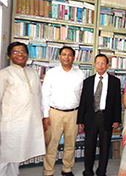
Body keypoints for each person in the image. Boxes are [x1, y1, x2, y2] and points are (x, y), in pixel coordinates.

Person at [0, 42, 45, 176]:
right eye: (15, 52)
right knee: (5, 154)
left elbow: (38, 96)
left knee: (17, 154)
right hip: (11, 122)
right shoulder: (4, 74)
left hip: (29, 121)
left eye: (22, 51)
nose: (20, 55)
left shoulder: (32, 72)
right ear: (9, 56)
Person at [42, 46, 85, 176]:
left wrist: (81, 117)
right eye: (64, 54)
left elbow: (83, 96)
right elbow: (45, 95)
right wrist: (45, 115)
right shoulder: (51, 73)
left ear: (74, 57)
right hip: (54, 113)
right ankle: (48, 171)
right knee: (52, 144)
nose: (67, 57)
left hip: (73, 113)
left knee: (70, 143)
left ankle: (67, 169)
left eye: (70, 55)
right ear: (59, 56)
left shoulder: (80, 73)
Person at [77, 53, 121, 176]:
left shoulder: (115, 82)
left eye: (103, 63)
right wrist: (80, 119)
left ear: (107, 65)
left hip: (106, 117)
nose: (100, 66)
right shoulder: (88, 81)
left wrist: (117, 119)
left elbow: (117, 101)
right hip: (90, 118)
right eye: (98, 63)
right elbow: (83, 101)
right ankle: (88, 171)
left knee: (105, 146)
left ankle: (102, 171)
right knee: (89, 146)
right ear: (95, 65)